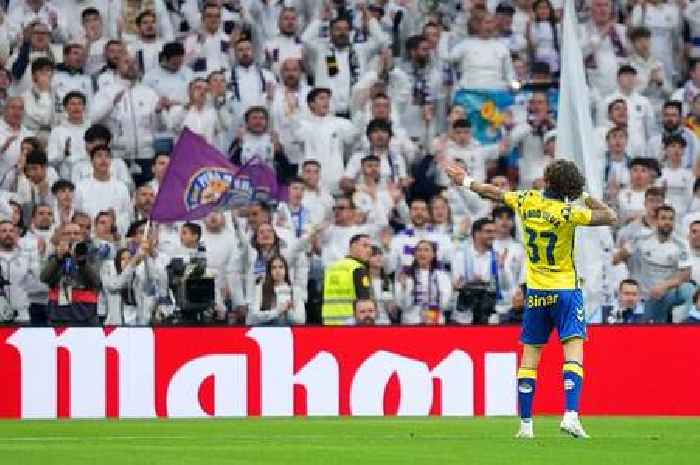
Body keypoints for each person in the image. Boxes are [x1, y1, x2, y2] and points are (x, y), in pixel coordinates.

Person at [446, 159, 617, 438]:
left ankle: (526, 425)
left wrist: (464, 180)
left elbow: (492, 192)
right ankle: (571, 416)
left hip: (536, 291)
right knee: (573, 351)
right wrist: (581, 194)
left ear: (548, 181)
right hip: (565, 290)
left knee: (530, 359)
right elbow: (609, 216)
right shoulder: (568, 212)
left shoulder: (526, 200)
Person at [613, 205, 694, 323]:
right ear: (656, 221)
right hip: (644, 294)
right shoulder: (641, 238)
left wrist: (664, 286)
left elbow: (686, 275)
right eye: (664, 218)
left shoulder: (681, 244)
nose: (667, 222)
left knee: (689, 289)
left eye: (671, 219)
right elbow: (617, 258)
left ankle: (685, 325)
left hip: (667, 293)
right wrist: (622, 255)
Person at [396, 239, 451, 325]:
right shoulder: (405, 275)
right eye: (419, 250)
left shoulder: (442, 276)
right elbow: (401, 305)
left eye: (426, 250)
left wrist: (429, 312)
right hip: (411, 321)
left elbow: (444, 304)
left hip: (434, 321)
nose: (422, 253)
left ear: (433, 254)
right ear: (414, 254)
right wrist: (404, 288)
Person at [322, 233, 372, 325]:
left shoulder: (331, 268)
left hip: (329, 321)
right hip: (349, 322)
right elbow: (364, 300)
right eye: (365, 246)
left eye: (370, 247)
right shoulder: (358, 268)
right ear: (353, 246)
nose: (369, 250)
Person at [246, 255, 306, 326]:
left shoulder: (295, 290)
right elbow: (250, 319)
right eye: (274, 268)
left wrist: (289, 311)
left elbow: (301, 320)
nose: (278, 270)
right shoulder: (260, 289)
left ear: (286, 270)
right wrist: (277, 311)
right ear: (269, 271)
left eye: (281, 267)